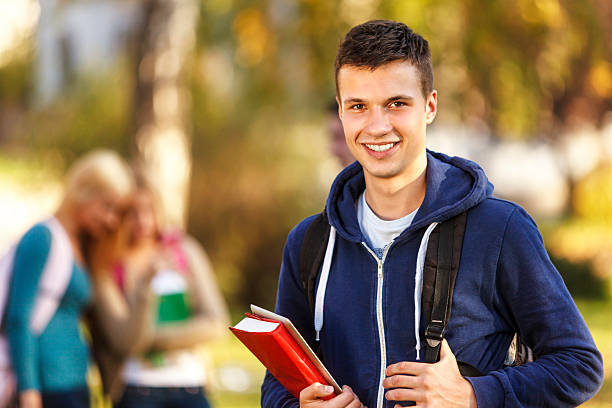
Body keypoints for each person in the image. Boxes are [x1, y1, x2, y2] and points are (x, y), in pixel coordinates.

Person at [261, 20, 603, 408]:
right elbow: (278, 379)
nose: (377, 126)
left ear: (430, 106)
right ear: (340, 111)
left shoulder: (499, 229)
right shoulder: (309, 243)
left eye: (397, 104)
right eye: (358, 106)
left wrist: (473, 395)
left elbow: (579, 365)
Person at [5, 149, 134, 408]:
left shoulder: (82, 245)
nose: (110, 220)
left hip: (74, 381)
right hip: (46, 386)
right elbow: (19, 319)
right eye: (106, 206)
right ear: (82, 193)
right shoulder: (42, 237)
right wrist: (29, 392)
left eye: (116, 211)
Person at [89, 177, 229, 408]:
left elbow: (216, 323)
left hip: (189, 384)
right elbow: (123, 342)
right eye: (132, 212)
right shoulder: (108, 266)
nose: (142, 220)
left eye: (149, 209)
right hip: (136, 387)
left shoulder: (184, 251)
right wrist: (145, 286)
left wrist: (152, 340)